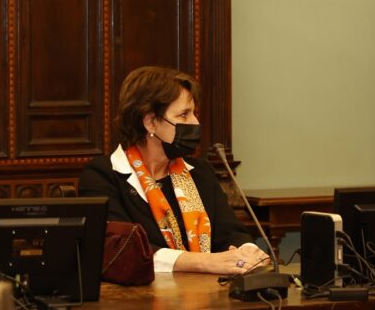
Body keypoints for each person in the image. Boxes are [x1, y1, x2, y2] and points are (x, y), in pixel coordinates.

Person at [79, 66, 269, 275]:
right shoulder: (103, 177)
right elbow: (122, 252)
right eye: (184, 114)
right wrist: (203, 262)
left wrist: (249, 252)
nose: (196, 123)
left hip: (207, 297)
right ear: (150, 122)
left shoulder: (199, 172)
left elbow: (231, 233)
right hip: (141, 302)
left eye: (194, 113)